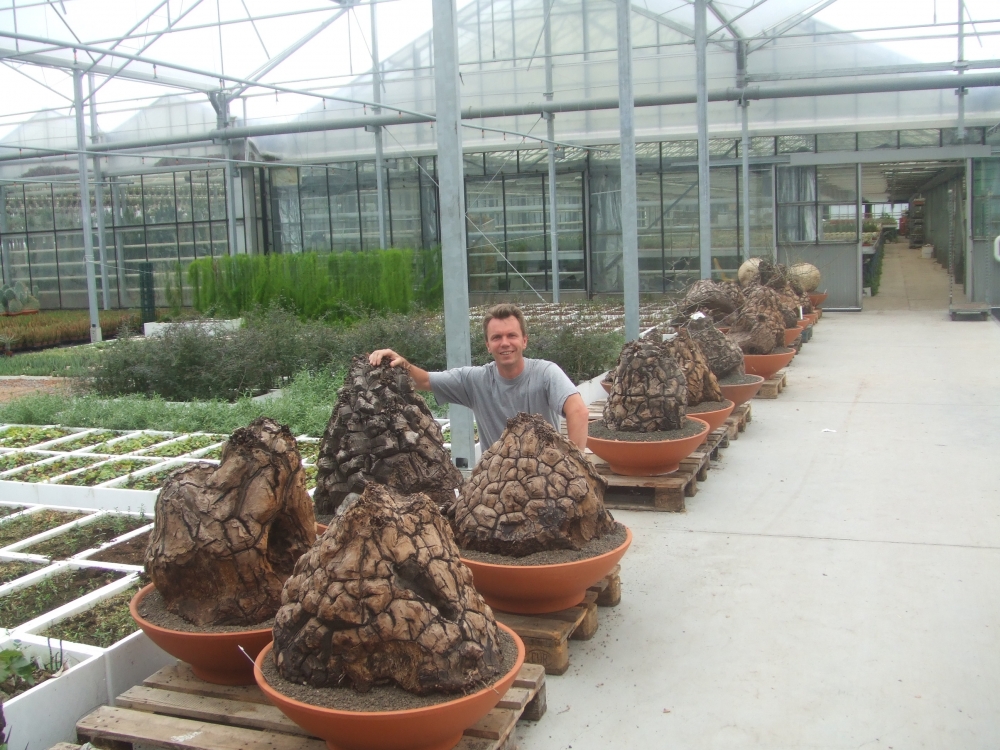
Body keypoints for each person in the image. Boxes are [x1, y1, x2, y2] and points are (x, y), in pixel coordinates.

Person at [368, 303, 590, 452]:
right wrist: (400, 364)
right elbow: (424, 380)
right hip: (496, 487)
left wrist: (573, 468)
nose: (505, 343)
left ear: (524, 341)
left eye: (512, 335)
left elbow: (578, 411)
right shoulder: (475, 381)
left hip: (546, 481)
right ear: (488, 345)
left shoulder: (546, 373)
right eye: (497, 337)